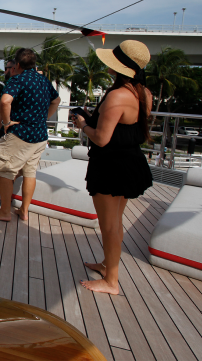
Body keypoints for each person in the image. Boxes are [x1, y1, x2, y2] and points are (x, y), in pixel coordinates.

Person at [72, 40, 153, 295]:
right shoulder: (144, 93)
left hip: (111, 166)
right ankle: (108, 265)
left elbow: (101, 138)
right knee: (116, 221)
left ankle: (112, 282)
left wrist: (83, 125)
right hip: (130, 162)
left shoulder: (118, 95)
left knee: (109, 225)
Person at [0, 48, 60, 222]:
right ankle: (24, 210)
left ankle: (5, 211)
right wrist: (44, 118)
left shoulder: (17, 79)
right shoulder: (44, 80)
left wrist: (5, 123)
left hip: (20, 134)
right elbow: (56, 100)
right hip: (40, 135)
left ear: (17, 65)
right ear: (33, 64)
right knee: (29, 172)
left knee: (5, 170)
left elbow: (5, 101)